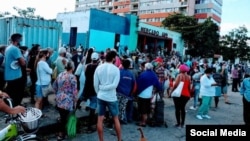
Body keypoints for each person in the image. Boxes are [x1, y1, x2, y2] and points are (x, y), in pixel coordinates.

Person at [93, 50, 122, 141]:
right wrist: (103, 88)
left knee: (100, 119)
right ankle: (119, 139)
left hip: (101, 96)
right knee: (115, 118)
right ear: (113, 58)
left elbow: (95, 84)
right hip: (111, 97)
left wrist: (100, 91)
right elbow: (114, 85)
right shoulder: (116, 69)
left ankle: (101, 140)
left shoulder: (99, 68)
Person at [53, 61, 78, 140]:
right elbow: (74, 91)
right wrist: (75, 102)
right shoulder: (72, 77)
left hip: (59, 98)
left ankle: (62, 132)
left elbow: (54, 86)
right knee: (65, 118)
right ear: (72, 68)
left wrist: (59, 94)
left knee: (62, 116)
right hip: (68, 100)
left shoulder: (60, 74)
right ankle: (61, 133)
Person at [136, 63, 162, 127]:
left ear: (146, 67)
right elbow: (158, 85)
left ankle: (143, 122)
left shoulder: (143, 74)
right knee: (147, 108)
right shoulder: (154, 75)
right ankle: (146, 120)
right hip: (149, 95)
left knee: (142, 109)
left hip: (142, 94)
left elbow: (138, 83)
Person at [4, 33, 26, 107]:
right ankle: (16, 110)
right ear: (18, 40)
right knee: (17, 95)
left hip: (8, 75)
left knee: (10, 94)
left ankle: (10, 108)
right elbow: (23, 62)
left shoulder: (8, 48)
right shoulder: (15, 49)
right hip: (15, 76)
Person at [82, 52, 99, 133]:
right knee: (93, 108)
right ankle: (89, 127)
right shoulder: (99, 68)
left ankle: (71, 118)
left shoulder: (87, 66)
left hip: (86, 88)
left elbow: (85, 75)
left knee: (79, 101)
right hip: (94, 89)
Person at [117, 59, 136, 124]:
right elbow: (134, 84)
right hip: (127, 93)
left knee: (118, 106)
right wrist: (131, 93)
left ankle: (118, 120)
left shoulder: (119, 72)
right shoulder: (131, 74)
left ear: (122, 65)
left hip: (119, 92)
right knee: (123, 107)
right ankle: (123, 119)